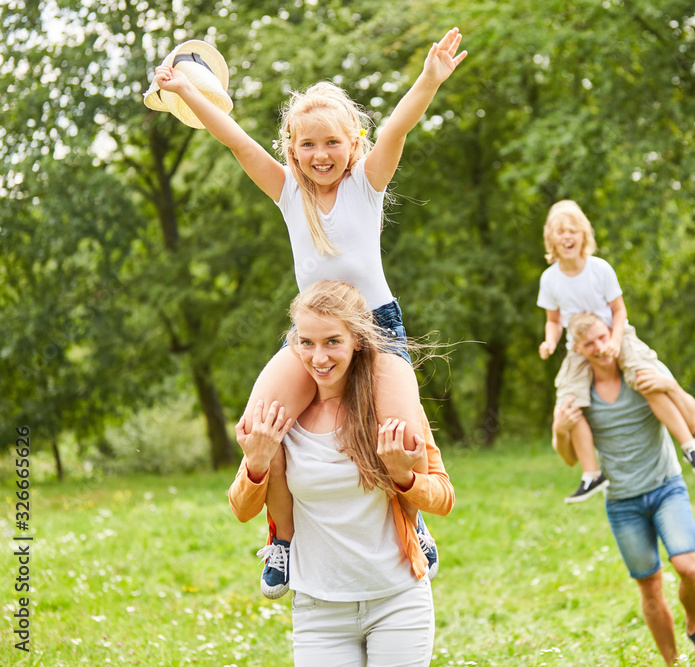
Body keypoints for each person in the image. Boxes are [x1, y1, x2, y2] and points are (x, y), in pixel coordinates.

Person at [152, 28, 467, 595]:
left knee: (399, 431)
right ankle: (282, 541)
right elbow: (237, 141)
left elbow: (398, 126)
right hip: (314, 334)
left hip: (375, 329)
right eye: (307, 145)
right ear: (292, 149)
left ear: (352, 144)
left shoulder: (367, 186)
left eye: (332, 144)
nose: (320, 156)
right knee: (260, 424)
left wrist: (429, 78)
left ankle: (414, 526)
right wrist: (188, 93)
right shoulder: (288, 194)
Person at [229, 280, 455, 666]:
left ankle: (418, 536)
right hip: (319, 611)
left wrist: (405, 477)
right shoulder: (282, 419)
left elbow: (444, 498)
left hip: (397, 599)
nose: (318, 357)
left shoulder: (390, 410)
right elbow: (241, 508)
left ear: (358, 340)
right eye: (306, 342)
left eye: (332, 341)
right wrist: (257, 463)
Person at [552, 311, 695, 664]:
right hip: (622, 501)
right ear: (579, 350)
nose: (600, 348)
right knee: (651, 586)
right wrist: (560, 429)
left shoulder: (639, 369)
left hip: (665, 486)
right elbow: (568, 458)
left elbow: (691, 419)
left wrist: (670, 385)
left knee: (689, 566)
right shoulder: (579, 392)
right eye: (590, 343)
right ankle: (671, 661)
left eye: (603, 337)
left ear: (612, 333)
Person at [537, 200, 695, 504]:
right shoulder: (550, 279)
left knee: (646, 378)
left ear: (583, 235)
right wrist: (550, 341)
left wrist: (616, 341)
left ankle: (689, 446)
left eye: (572, 230)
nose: (567, 236)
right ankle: (592, 474)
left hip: (615, 335)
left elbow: (619, 311)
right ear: (550, 239)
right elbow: (554, 321)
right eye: (560, 231)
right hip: (580, 349)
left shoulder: (599, 269)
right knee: (570, 402)